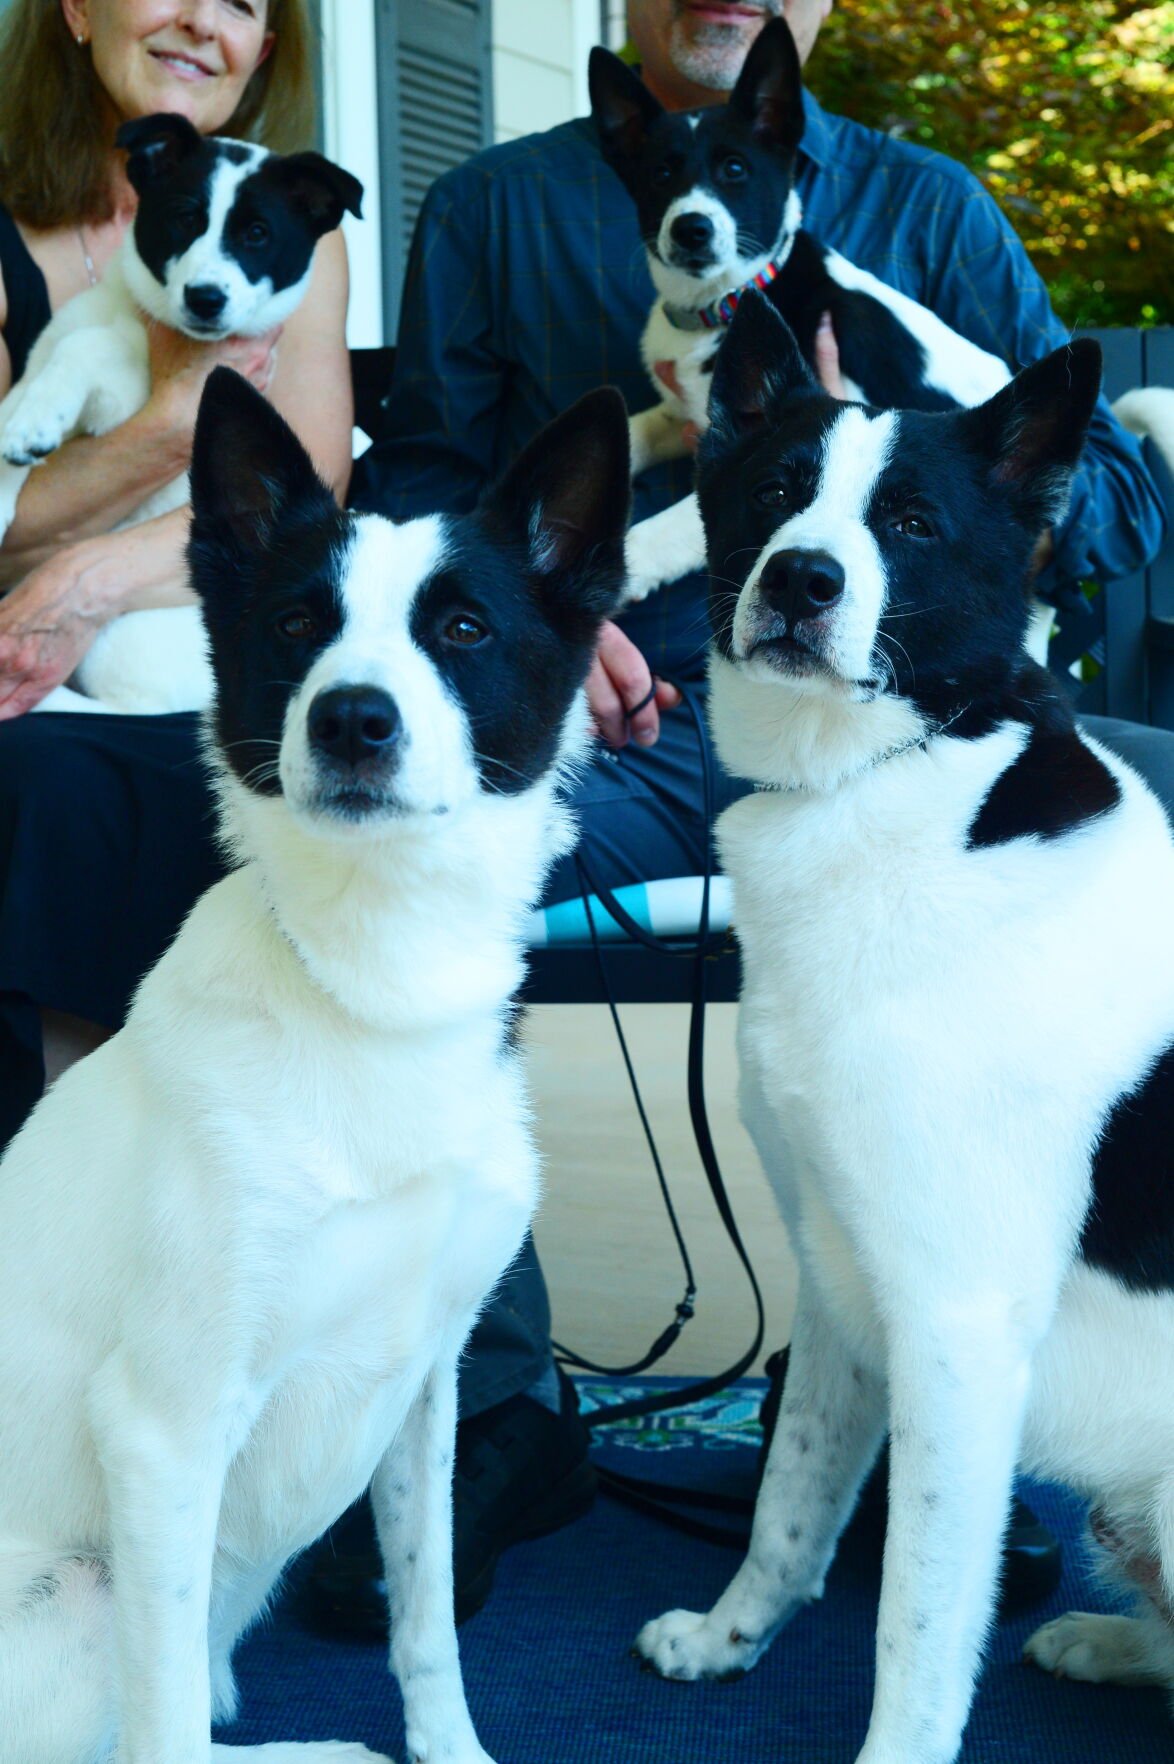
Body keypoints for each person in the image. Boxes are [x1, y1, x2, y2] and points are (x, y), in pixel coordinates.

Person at [300, 0, 1173, 1632]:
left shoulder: (928, 214)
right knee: (412, 842)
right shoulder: (496, 206)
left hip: (917, 719)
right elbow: (416, 479)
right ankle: (491, 1403)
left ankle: (1007, 1354)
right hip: (616, 710)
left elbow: (1108, 510)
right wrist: (542, 610)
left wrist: (879, 452)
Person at [0, 0, 352, 1142]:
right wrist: (166, 420)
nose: (204, 22)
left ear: (263, 50)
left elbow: (303, 500)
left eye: (245, 5)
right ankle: (62, 1156)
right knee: (54, 773)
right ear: (77, 8)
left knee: (160, 770)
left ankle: (169, 1155)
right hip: (32, 662)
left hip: (175, 636)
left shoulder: (297, 237)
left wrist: (87, 575)